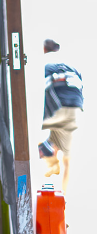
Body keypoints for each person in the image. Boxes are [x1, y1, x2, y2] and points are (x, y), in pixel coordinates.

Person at [38, 38, 83, 193]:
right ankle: (63, 199)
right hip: (74, 112)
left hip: (56, 106)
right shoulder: (74, 67)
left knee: (27, 128)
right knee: (67, 161)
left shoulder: (45, 63)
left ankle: (44, 157)